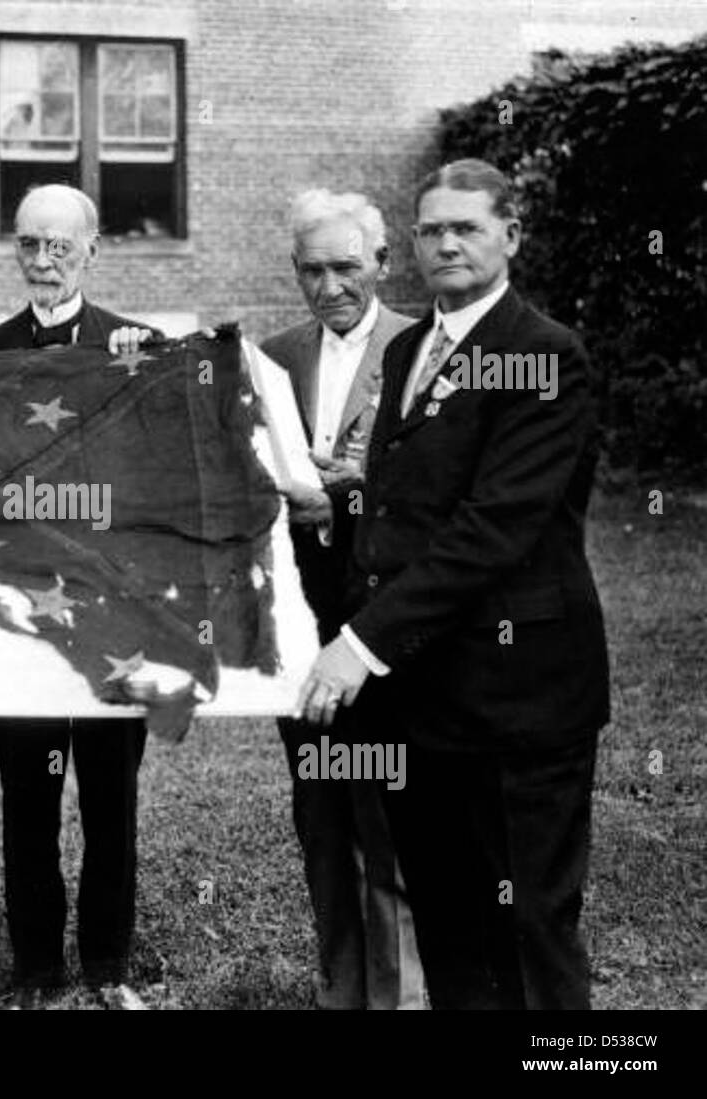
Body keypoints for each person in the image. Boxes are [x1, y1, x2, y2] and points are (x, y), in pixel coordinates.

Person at [298, 159, 610, 1010]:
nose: (447, 243)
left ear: (511, 236)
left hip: (519, 699)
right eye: (432, 228)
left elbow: (490, 530)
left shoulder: (542, 355)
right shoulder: (407, 349)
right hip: (421, 698)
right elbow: (412, 502)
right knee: (446, 917)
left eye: (467, 227)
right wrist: (330, 490)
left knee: (529, 926)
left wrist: (357, 644)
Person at [0, 184, 160, 1007]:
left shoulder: (141, 347)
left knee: (111, 794)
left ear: (92, 249)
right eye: (28, 244)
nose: (43, 261)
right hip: (23, 615)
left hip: (113, 613)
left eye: (59, 246)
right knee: (29, 794)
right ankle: (36, 964)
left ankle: (108, 963)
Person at [261, 188, 423, 1009]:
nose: (330, 287)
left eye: (347, 268)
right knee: (321, 814)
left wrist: (357, 492)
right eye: (312, 270)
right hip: (300, 626)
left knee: (388, 819)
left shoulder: (427, 351)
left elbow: (443, 500)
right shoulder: (272, 356)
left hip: (388, 629)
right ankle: (343, 988)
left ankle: (398, 997)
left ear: (383, 264)